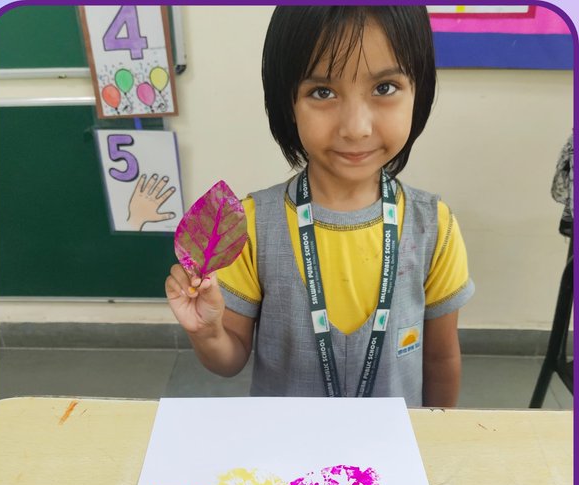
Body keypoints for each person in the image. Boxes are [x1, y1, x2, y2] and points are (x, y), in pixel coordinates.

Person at [166, 7, 472, 408]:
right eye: (323, 92)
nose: (356, 127)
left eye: (385, 88)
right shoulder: (254, 224)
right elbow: (230, 359)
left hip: (394, 454)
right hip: (285, 456)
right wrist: (207, 332)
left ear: (420, 91)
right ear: (287, 103)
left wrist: (438, 441)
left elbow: (441, 356)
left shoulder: (434, 225)